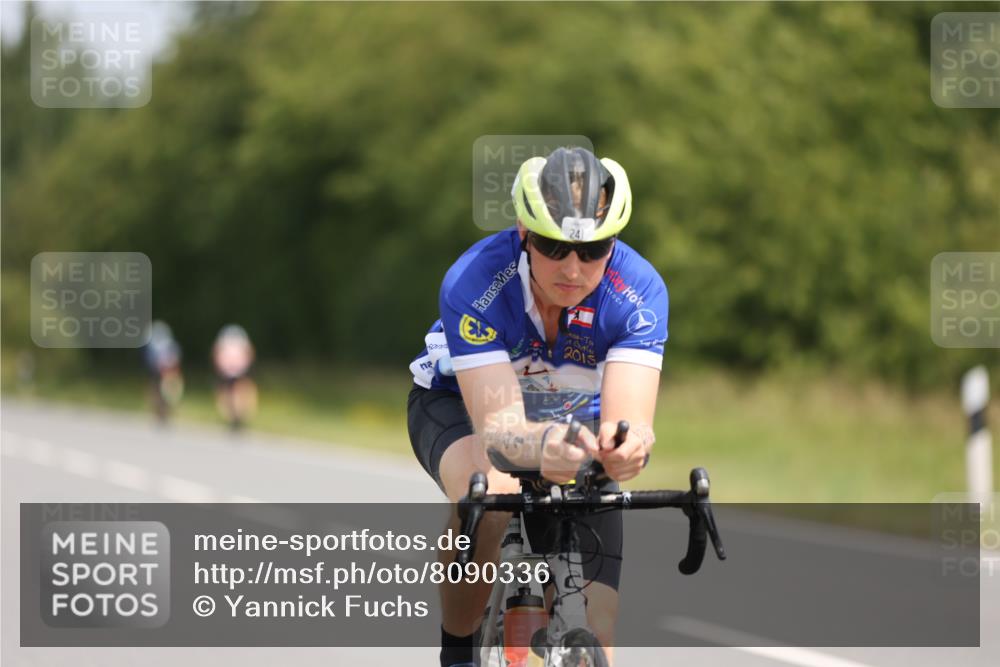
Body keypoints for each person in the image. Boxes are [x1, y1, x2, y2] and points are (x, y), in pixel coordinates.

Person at [407, 147, 667, 667]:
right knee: (493, 495)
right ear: (525, 235)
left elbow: (630, 423)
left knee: (601, 630)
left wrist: (627, 449)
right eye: (554, 247)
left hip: (573, 419)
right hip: (459, 404)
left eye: (593, 251)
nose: (573, 268)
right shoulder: (476, 280)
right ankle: (457, 650)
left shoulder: (637, 291)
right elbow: (501, 433)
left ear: (612, 244)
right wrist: (542, 446)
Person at [212, 324, 258, 430]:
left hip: (233, 367)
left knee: (236, 389)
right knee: (232, 390)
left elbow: (216, 351)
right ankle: (235, 414)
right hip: (233, 368)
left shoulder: (226, 337)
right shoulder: (239, 336)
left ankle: (238, 413)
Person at [143, 320, 184, 424]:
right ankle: (158, 413)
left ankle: (164, 413)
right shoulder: (153, 347)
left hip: (167, 373)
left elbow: (175, 360)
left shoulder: (170, 345)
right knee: (156, 392)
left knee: (166, 394)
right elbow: (150, 362)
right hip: (157, 372)